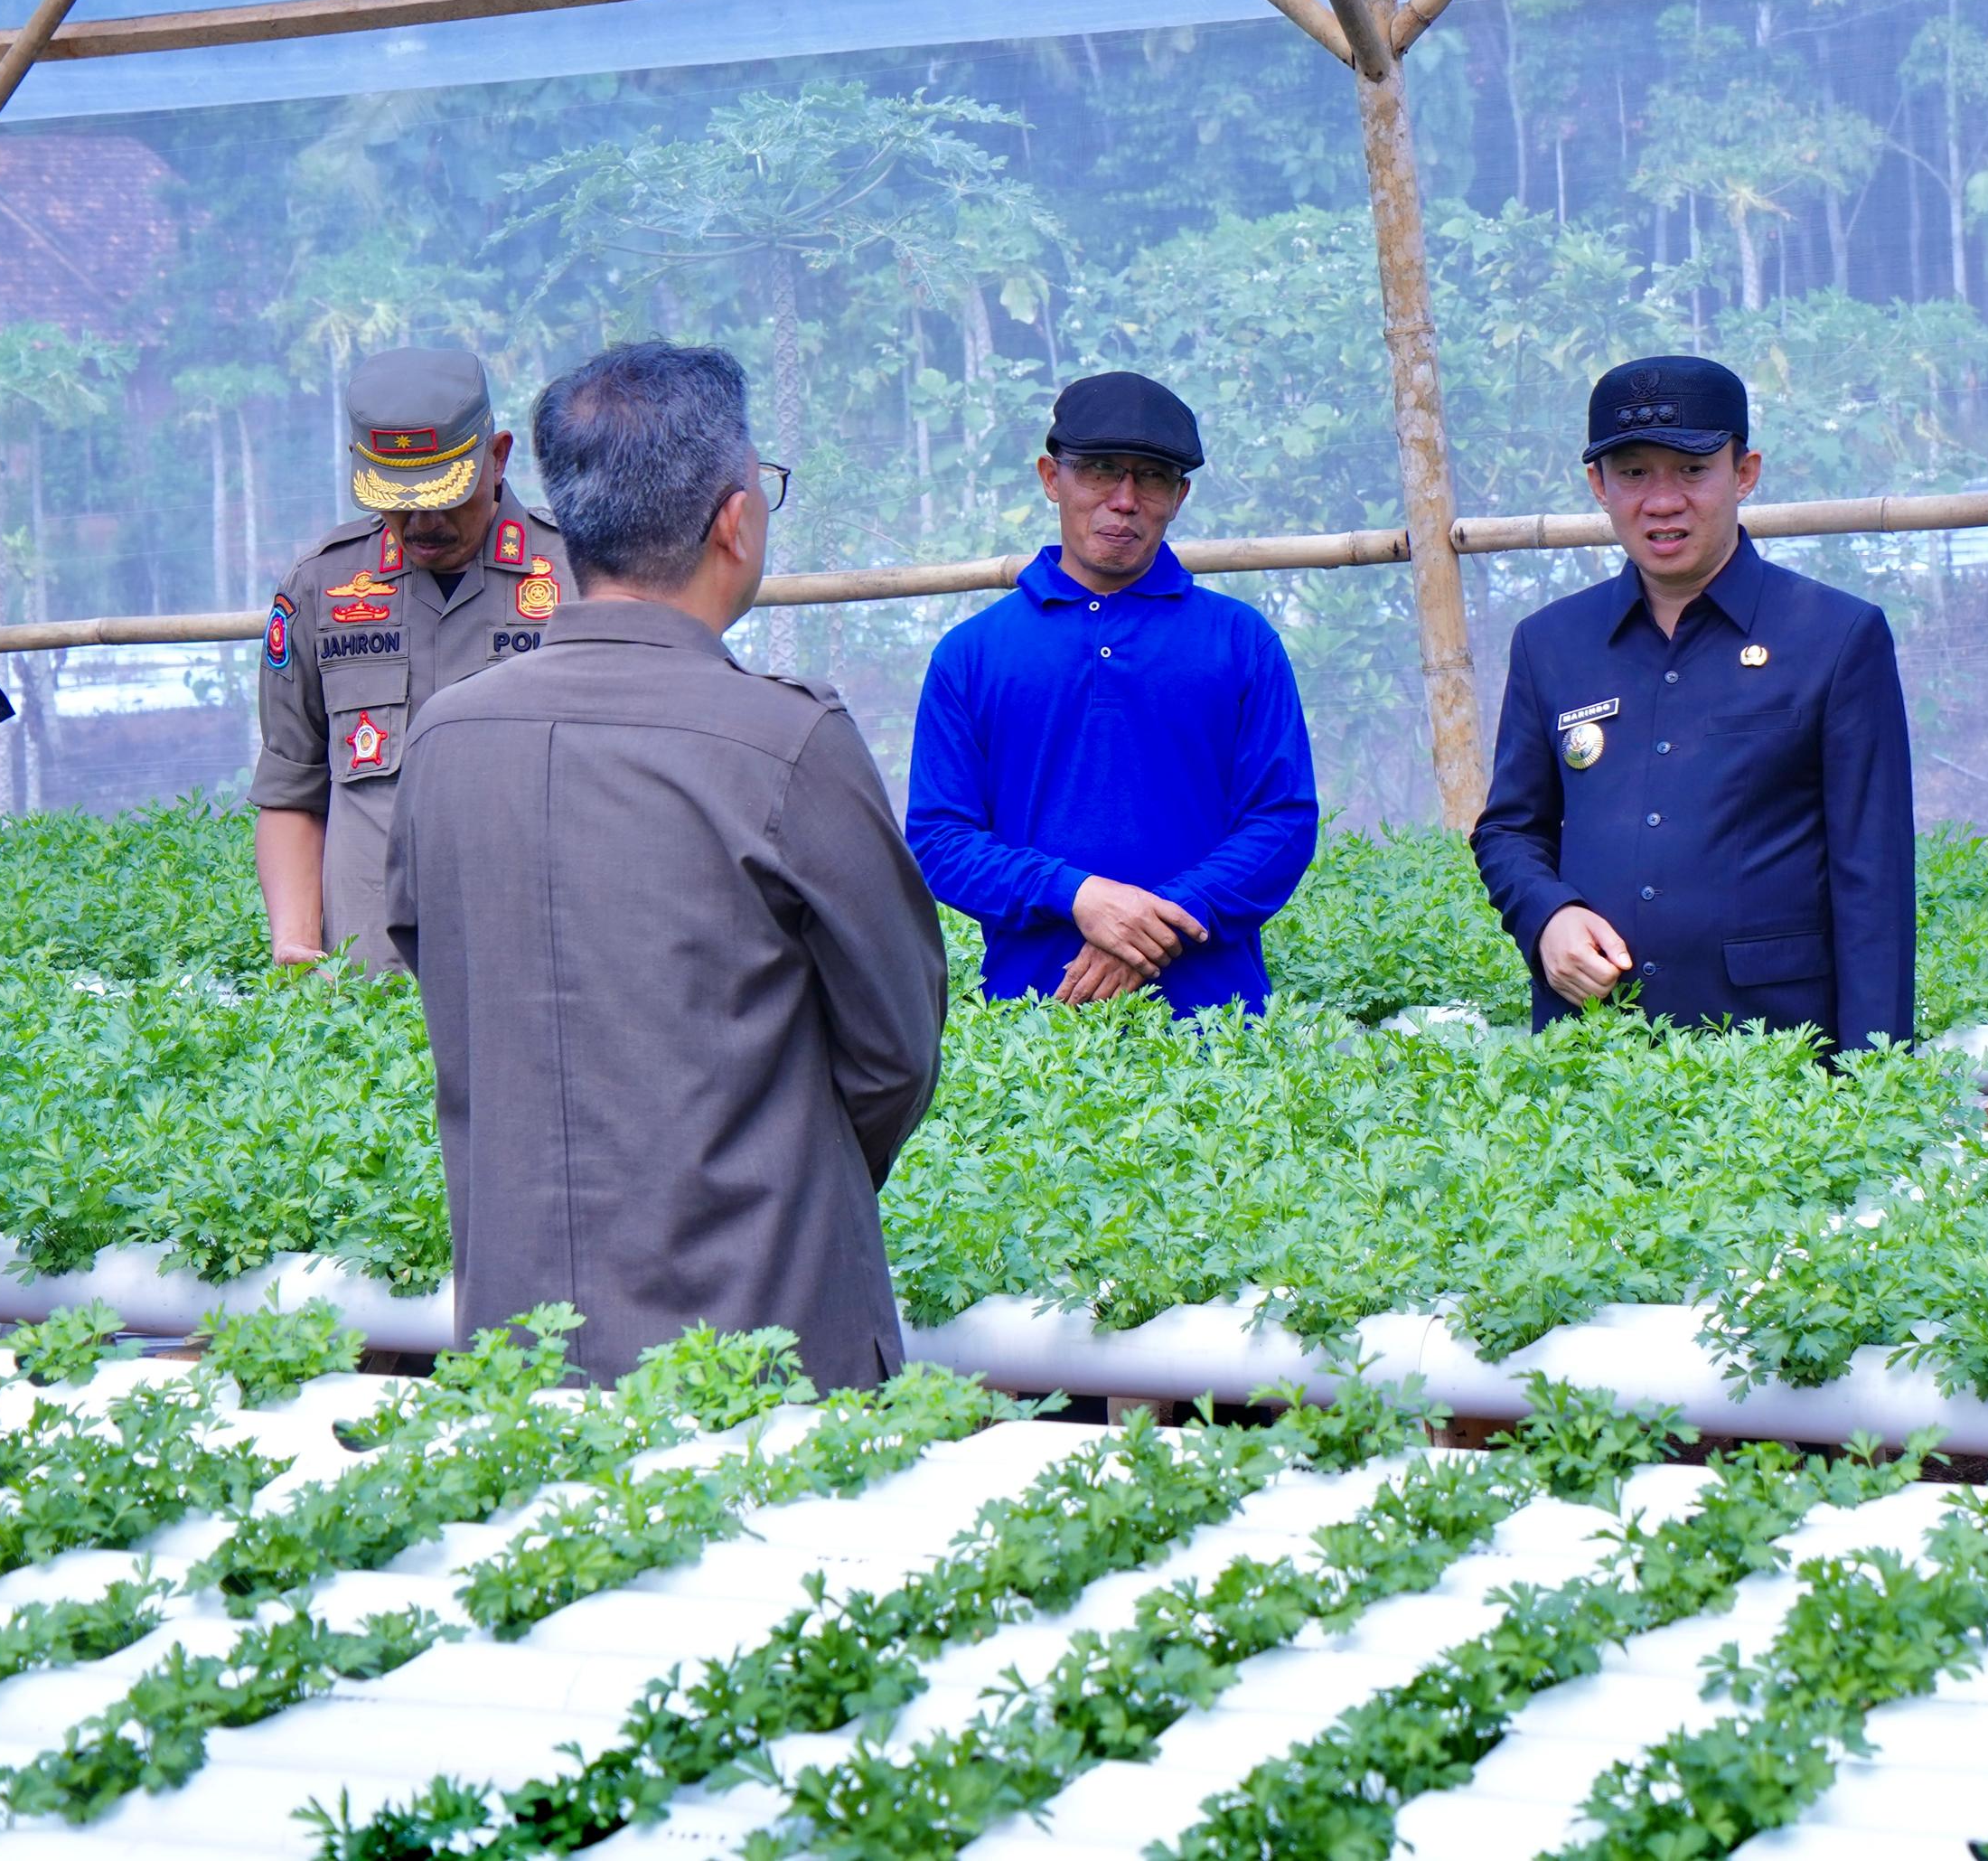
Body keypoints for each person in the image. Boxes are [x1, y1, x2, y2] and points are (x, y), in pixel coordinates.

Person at [386, 343, 944, 1389]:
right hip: (759, 1332)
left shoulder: (445, 739)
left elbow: (442, 981)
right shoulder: (785, 743)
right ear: (734, 519)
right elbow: (896, 1049)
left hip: (518, 1338)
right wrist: (776, 1174)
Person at [1472, 356, 1916, 1051]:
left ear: (1745, 472)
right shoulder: (1550, 643)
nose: (1662, 500)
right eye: (1634, 473)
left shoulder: (1834, 637)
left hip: (1773, 1059)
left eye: (1691, 470)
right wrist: (1547, 915)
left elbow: (1874, 883)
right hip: (1594, 1051)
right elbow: (1508, 830)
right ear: (1598, 484)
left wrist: (1873, 1085)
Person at [905, 372, 1318, 1014]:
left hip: (1219, 1039)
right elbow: (940, 837)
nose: (1124, 499)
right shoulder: (971, 655)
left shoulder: (1241, 642)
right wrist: (1078, 895)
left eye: (1151, 476)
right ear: (1051, 477)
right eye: (1099, 469)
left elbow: (1284, 822)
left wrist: (1160, 923)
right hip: (1037, 1031)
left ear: (1179, 495)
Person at [253, 347, 575, 973]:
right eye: (397, 498)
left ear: (498, 456)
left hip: (536, 975)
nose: (422, 520)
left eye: (445, 494)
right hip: (372, 989)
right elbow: (293, 783)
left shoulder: (577, 578)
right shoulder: (322, 587)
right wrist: (294, 940)